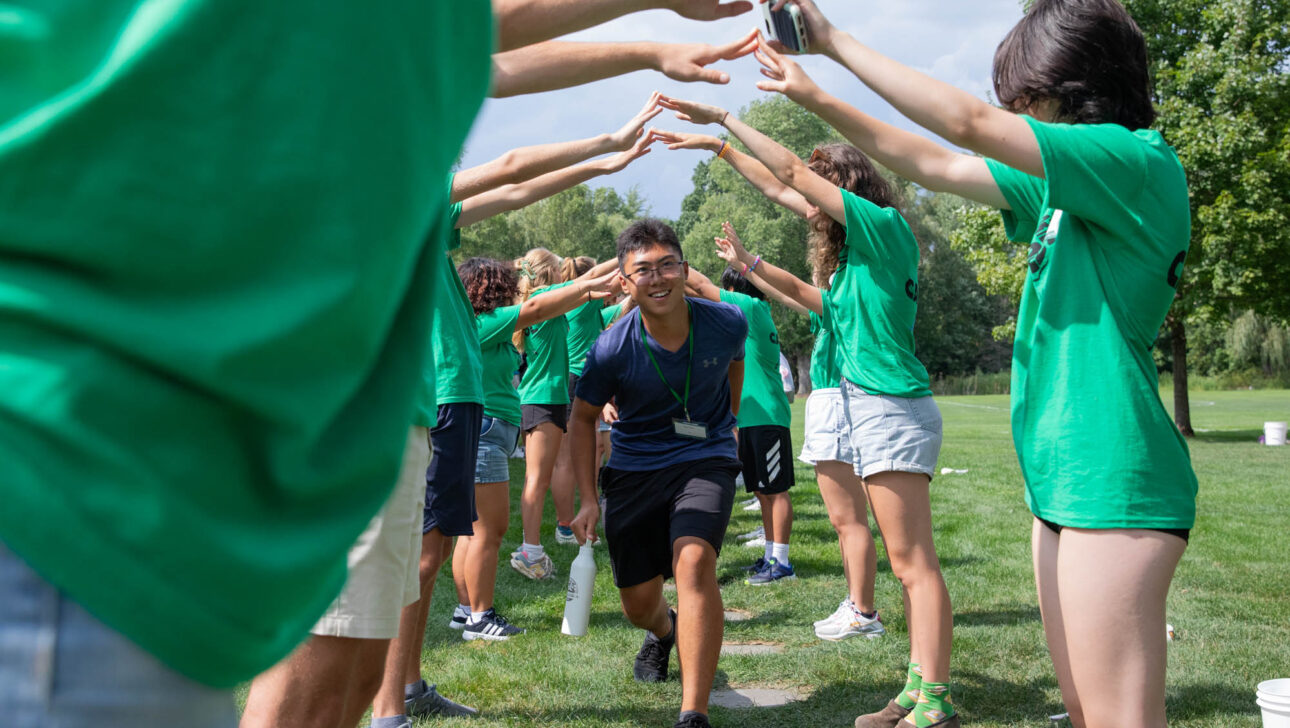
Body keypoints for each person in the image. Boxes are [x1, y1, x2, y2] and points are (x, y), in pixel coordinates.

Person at [0, 1, 762, 725]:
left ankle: (401, 695)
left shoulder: (390, 143)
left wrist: (626, 94)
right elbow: (482, 79)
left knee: (355, 659)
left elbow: (462, 41)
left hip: (283, 452)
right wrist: (644, 50)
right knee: (344, 649)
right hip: (79, 476)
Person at [752, 1, 1196, 725]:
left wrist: (830, 41)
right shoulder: (1069, 195)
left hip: (1114, 486)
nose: (1015, 109)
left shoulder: (1135, 163)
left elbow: (966, 126)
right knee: (1087, 714)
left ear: (1076, 83)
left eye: (1027, 95)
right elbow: (934, 159)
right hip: (1064, 483)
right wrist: (815, 96)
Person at [658, 91, 955, 727]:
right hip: (858, 405)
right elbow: (790, 217)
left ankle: (936, 701)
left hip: (891, 407)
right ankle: (915, 691)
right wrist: (724, 161)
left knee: (913, 563)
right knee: (904, 562)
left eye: (825, 187)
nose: (810, 203)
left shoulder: (886, 230)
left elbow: (791, 178)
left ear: (845, 186)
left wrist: (724, 124)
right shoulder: (853, 267)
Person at [365, 124, 657, 728]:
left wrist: (596, 169)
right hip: (442, 396)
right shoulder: (403, 193)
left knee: (433, 548)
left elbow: (517, 188)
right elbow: (513, 169)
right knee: (420, 557)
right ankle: (389, 709)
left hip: (459, 398)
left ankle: (411, 687)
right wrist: (601, 146)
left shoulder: (425, 219)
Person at [658, 124, 888, 639]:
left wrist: (660, 266)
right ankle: (850, 601)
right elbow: (798, 283)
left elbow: (786, 181)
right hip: (818, 401)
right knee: (808, 506)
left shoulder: (747, 307)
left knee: (784, 493)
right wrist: (748, 261)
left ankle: (788, 563)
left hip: (814, 405)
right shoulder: (831, 276)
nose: (806, 204)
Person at [568, 219, 746, 728]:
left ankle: (694, 712)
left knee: (693, 563)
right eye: (643, 269)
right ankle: (664, 632)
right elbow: (581, 418)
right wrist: (587, 498)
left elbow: (733, 364)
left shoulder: (727, 322)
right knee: (639, 604)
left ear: (686, 270)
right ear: (625, 283)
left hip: (704, 459)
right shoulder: (610, 348)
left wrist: (724, 421)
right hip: (633, 469)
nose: (659, 277)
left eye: (668, 264)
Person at [457, 257, 621, 643]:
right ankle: (479, 617)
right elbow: (534, 306)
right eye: (500, 286)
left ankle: (465, 610)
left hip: (486, 426)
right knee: (488, 530)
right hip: (488, 427)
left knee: (471, 530)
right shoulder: (485, 321)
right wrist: (593, 279)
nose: (508, 291)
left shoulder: (478, 325)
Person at [685, 265, 797, 585]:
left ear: (739, 289)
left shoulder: (751, 307)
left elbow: (703, 288)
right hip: (751, 418)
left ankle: (783, 563)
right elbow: (700, 295)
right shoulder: (746, 313)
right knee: (762, 490)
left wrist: (674, 265)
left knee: (775, 491)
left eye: (728, 289)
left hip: (767, 418)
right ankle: (771, 556)